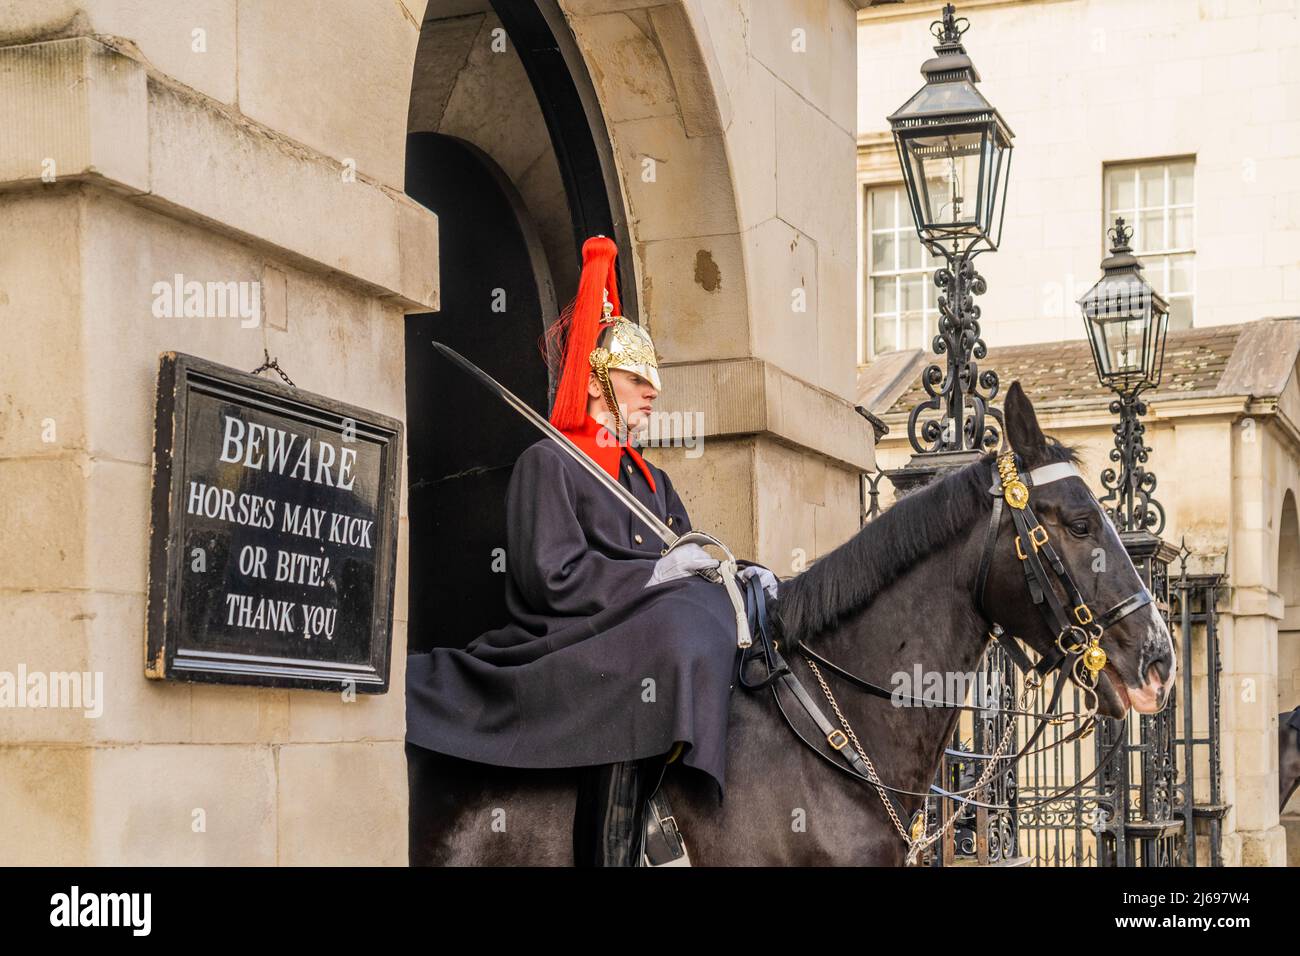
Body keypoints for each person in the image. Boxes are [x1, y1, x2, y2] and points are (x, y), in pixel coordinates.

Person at [405, 235, 777, 866]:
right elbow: (551, 576)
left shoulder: (652, 481)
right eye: (638, 378)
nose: (654, 391)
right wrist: (657, 576)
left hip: (641, 634)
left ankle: (683, 789)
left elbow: (692, 558)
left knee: (710, 615)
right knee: (675, 626)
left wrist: (737, 573)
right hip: (572, 637)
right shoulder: (547, 463)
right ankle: (613, 851)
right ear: (600, 380)